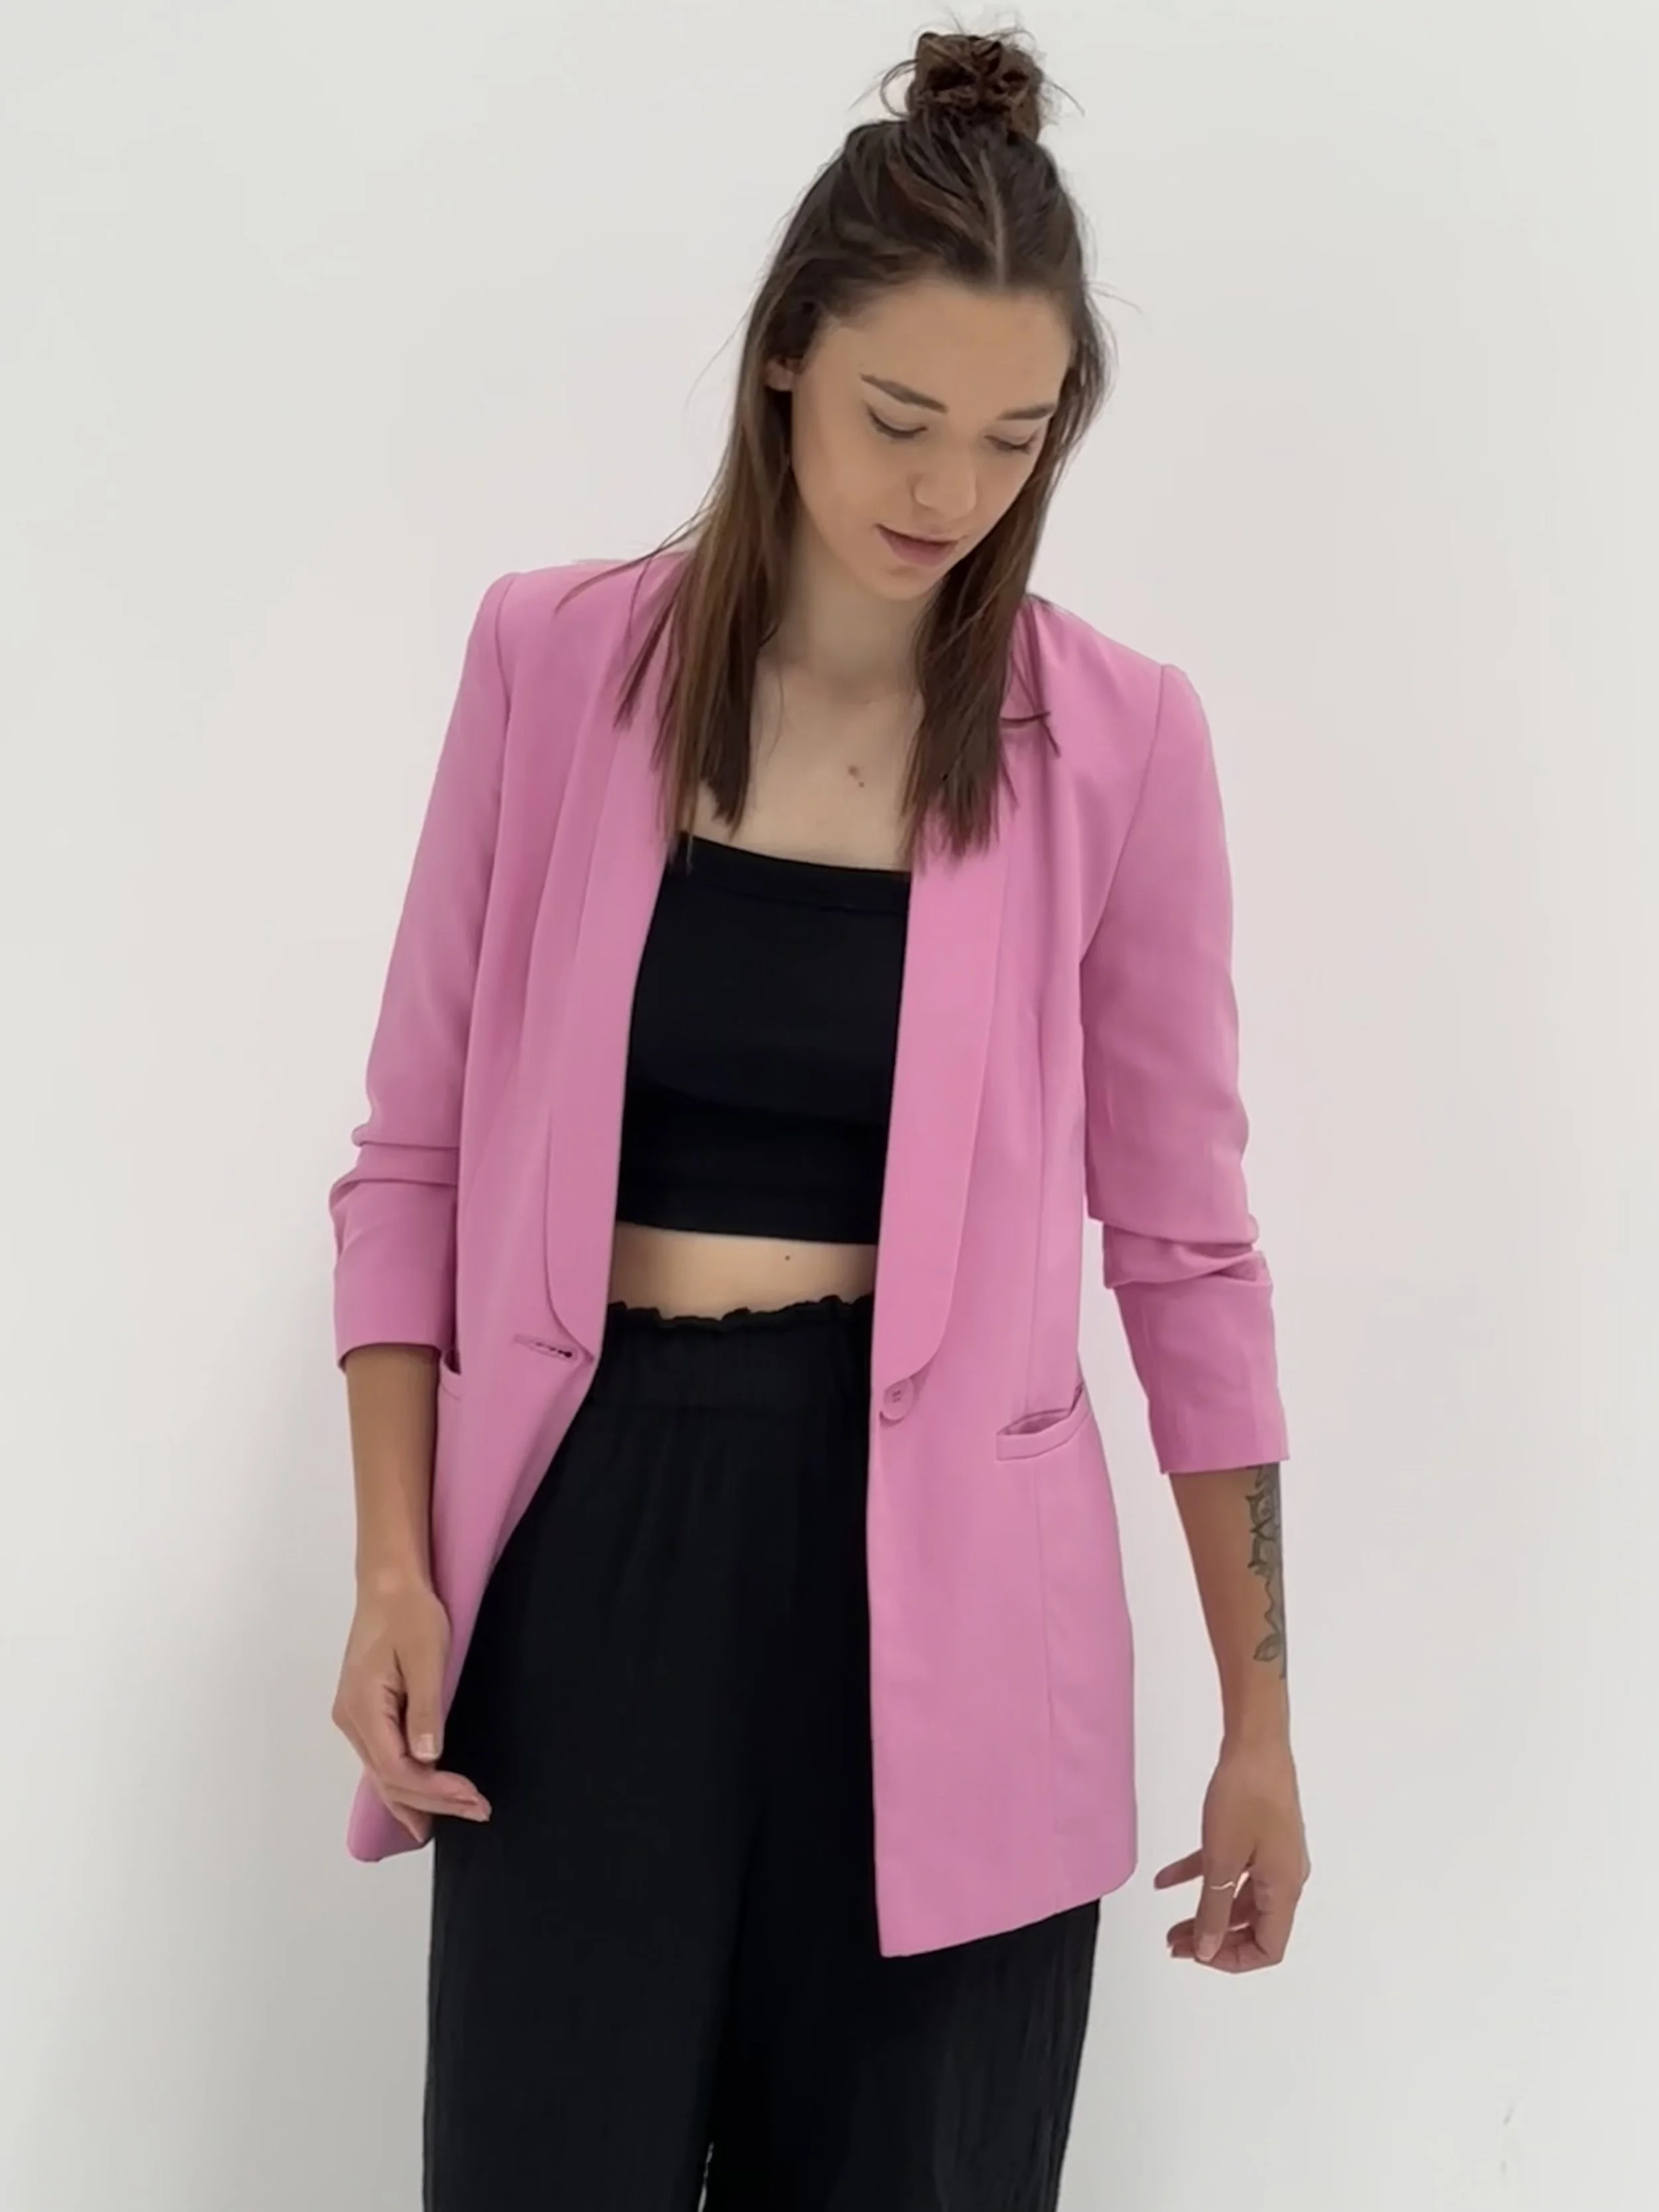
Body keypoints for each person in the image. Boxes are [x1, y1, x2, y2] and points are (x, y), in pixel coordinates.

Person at [327, 24, 1310, 2211]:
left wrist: (1259, 1717)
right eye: (895, 414)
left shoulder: (1117, 741)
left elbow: (1186, 1253)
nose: (945, 489)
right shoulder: (550, 663)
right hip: (592, 1541)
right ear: (784, 358)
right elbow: (411, 1156)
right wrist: (393, 1561)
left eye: (1010, 438)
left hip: (961, 1607)